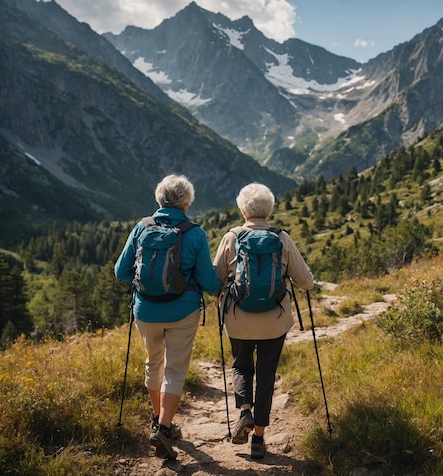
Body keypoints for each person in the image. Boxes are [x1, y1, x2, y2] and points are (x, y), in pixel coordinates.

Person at [114, 174, 221, 460]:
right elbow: (207, 279)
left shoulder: (142, 227)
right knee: (174, 369)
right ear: (186, 202)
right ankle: (164, 427)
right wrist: (217, 290)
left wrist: (141, 286)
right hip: (183, 311)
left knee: (154, 363)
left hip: (146, 311)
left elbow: (120, 271)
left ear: (160, 199)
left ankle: (158, 419)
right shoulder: (195, 233)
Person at [213, 182, 314, 460]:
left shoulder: (231, 237)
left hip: (238, 319)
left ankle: (244, 411)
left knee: (242, 367)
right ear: (268, 211)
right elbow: (305, 282)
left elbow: (214, 280)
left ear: (243, 210)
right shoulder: (281, 238)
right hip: (274, 321)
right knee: (266, 376)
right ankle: (258, 438)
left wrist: (218, 294)